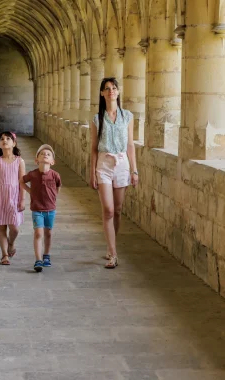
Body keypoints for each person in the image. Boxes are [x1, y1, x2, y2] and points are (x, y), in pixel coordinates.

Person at [90, 77, 139, 269]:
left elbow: (130, 145)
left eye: (114, 88)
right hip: (104, 163)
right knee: (108, 210)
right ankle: (113, 254)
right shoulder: (97, 119)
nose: (111, 91)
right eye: (107, 88)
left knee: (117, 210)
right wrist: (92, 171)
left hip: (122, 164)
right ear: (102, 93)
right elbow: (94, 148)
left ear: (118, 92)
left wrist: (134, 170)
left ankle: (112, 246)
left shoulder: (127, 116)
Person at [20, 144, 61, 272]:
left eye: (48, 154)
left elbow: (58, 185)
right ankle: (38, 259)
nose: (45, 155)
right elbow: (21, 181)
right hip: (37, 209)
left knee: (48, 233)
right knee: (38, 233)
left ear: (52, 162)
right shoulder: (32, 174)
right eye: (42, 154)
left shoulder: (55, 175)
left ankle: (46, 255)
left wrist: (54, 196)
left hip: (50, 209)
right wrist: (30, 191)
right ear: (36, 160)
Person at [0, 131, 26, 265]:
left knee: (14, 228)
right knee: (1, 227)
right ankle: (4, 254)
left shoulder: (19, 161)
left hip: (14, 197)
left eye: (8, 138)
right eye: (2, 139)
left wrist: (22, 199)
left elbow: (22, 182)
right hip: (0, 197)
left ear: (14, 143)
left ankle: (11, 242)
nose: (5, 140)